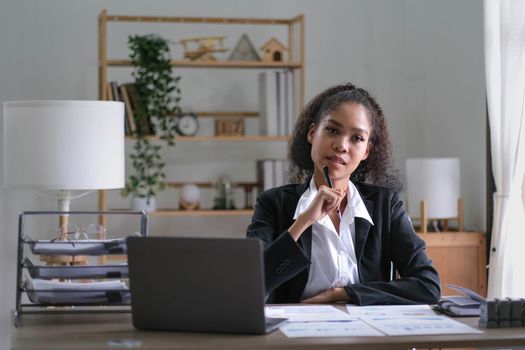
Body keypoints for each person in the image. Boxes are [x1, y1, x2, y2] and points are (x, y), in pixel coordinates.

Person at [246, 83, 440, 305]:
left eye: (357, 138)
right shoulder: (273, 203)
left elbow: (428, 286)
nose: (341, 145)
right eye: (332, 130)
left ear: (366, 150)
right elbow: (253, 284)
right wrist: (303, 222)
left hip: (368, 334)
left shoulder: (386, 205)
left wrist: (344, 293)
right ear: (312, 133)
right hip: (297, 335)